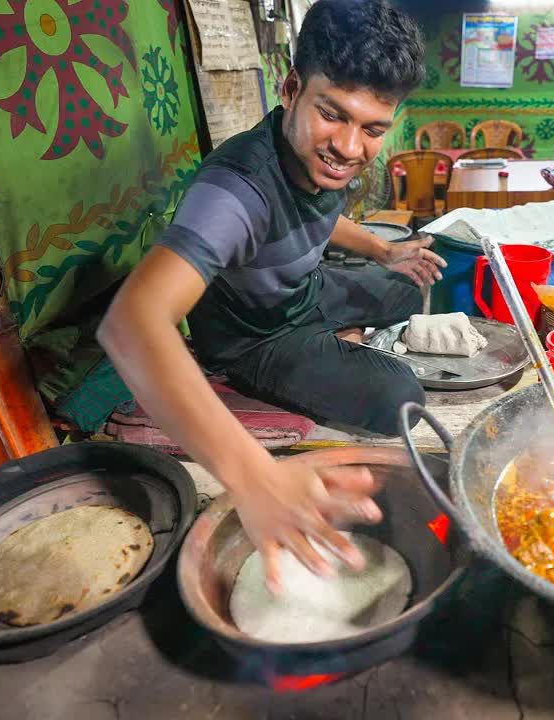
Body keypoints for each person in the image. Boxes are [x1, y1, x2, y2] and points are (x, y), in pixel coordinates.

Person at [97, 0, 440, 593]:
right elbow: (131, 322)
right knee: (401, 396)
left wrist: (384, 252)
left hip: (303, 289)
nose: (351, 147)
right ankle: (278, 371)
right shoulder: (235, 190)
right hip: (257, 337)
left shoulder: (322, 156)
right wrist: (252, 476)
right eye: (334, 115)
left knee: (407, 289)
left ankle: (350, 322)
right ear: (291, 88)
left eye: (374, 129)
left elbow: (317, 215)